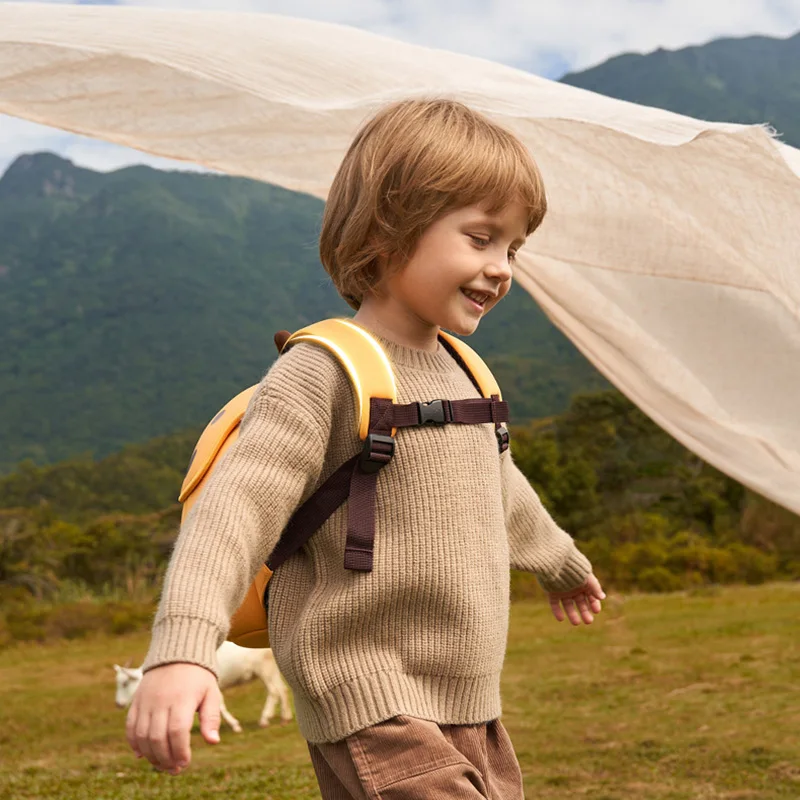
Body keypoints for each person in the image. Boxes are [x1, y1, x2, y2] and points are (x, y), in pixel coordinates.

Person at [126, 98, 605, 799]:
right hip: (368, 695)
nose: (502, 269)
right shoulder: (323, 370)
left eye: (514, 248)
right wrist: (183, 649)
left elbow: (501, 487)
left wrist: (560, 562)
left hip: (471, 699)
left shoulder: (466, 371)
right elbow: (233, 513)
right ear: (388, 232)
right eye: (480, 238)